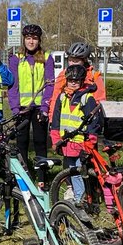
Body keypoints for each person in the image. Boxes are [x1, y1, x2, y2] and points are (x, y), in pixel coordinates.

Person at [50, 64, 103, 206]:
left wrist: (91, 140)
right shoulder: (62, 97)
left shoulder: (87, 98)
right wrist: (55, 139)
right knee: (72, 172)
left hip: (81, 143)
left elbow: (93, 122)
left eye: (77, 81)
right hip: (66, 143)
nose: (73, 83)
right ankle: (79, 197)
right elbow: (56, 121)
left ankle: (81, 199)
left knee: (80, 172)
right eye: (70, 80)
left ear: (82, 81)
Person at [7, 24, 55, 164]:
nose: (31, 41)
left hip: (40, 107)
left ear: (39, 40)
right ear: (24, 40)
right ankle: (24, 174)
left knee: (40, 141)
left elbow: (50, 84)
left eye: (34, 38)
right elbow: (13, 86)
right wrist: (15, 108)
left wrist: (45, 107)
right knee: (22, 142)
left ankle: (42, 175)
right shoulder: (16, 59)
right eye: (28, 38)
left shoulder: (47, 57)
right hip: (22, 107)